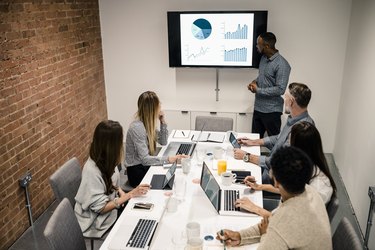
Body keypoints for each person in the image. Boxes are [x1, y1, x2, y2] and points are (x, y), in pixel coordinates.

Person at [217, 146, 332, 249]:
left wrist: (265, 234)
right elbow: (270, 222)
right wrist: (239, 236)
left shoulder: (283, 221)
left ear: (276, 182)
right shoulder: (311, 191)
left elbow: (272, 229)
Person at [236, 122, 337, 216]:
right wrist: (260, 186)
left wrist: (256, 209)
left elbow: (287, 223)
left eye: (290, 143)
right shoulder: (308, 168)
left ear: (299, 149)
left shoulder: (317, 188)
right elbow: (290, 190)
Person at [74, 120, 150, 238]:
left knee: (144, 215)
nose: (121, 145)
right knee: (137, 229)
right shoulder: (92, 171)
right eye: (119, 141)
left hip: (111, 207)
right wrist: (128, 195)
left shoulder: (107, 159)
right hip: (97, 220)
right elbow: (100, 208)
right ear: (111, 145)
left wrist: (121, 192)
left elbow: (112, 182)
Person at [234, 82, 314, 183]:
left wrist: (247, 156)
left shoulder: (301, 130)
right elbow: (278, 139)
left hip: (276, 177)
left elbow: (278, 163)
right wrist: (254, 142)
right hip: (270, 166)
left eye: (286, 97)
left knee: (235, 178)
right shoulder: (293, 119)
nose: (284, 100)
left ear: (292, 101)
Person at [125, 91, 187, 187]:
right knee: (171, 180)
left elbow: (163, 141)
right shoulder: (137, 128)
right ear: (152, 109)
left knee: (173, 176)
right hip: (137, 172)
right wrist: (169, 159)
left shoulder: (147, 124)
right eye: (159, 105)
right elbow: (145, 160)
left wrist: (162, 122)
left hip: (144, 166)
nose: (160, 107)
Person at [248, 32, 291, 138]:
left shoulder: (282, 65)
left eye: (259, 44)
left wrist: (258, 90)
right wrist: (255, 82)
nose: (256, 46)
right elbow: (263, 77)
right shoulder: (263, 58)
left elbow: (280, 89)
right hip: (258, 108)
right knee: (254, 140)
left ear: (266, 46)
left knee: (274, 144)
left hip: (272, 111)